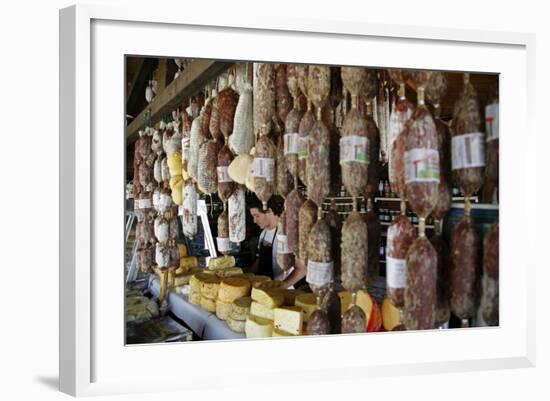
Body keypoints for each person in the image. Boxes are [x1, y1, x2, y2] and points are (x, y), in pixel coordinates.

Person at [247, 194, 306, 288]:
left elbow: (301, 270)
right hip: (265, 289)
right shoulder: (264, 233)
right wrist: (246, 275)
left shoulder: (287, 234)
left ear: (269, 211)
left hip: (283, 292)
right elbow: (260, 260)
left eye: (257, 216)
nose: (254, 221)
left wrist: (281, 286)